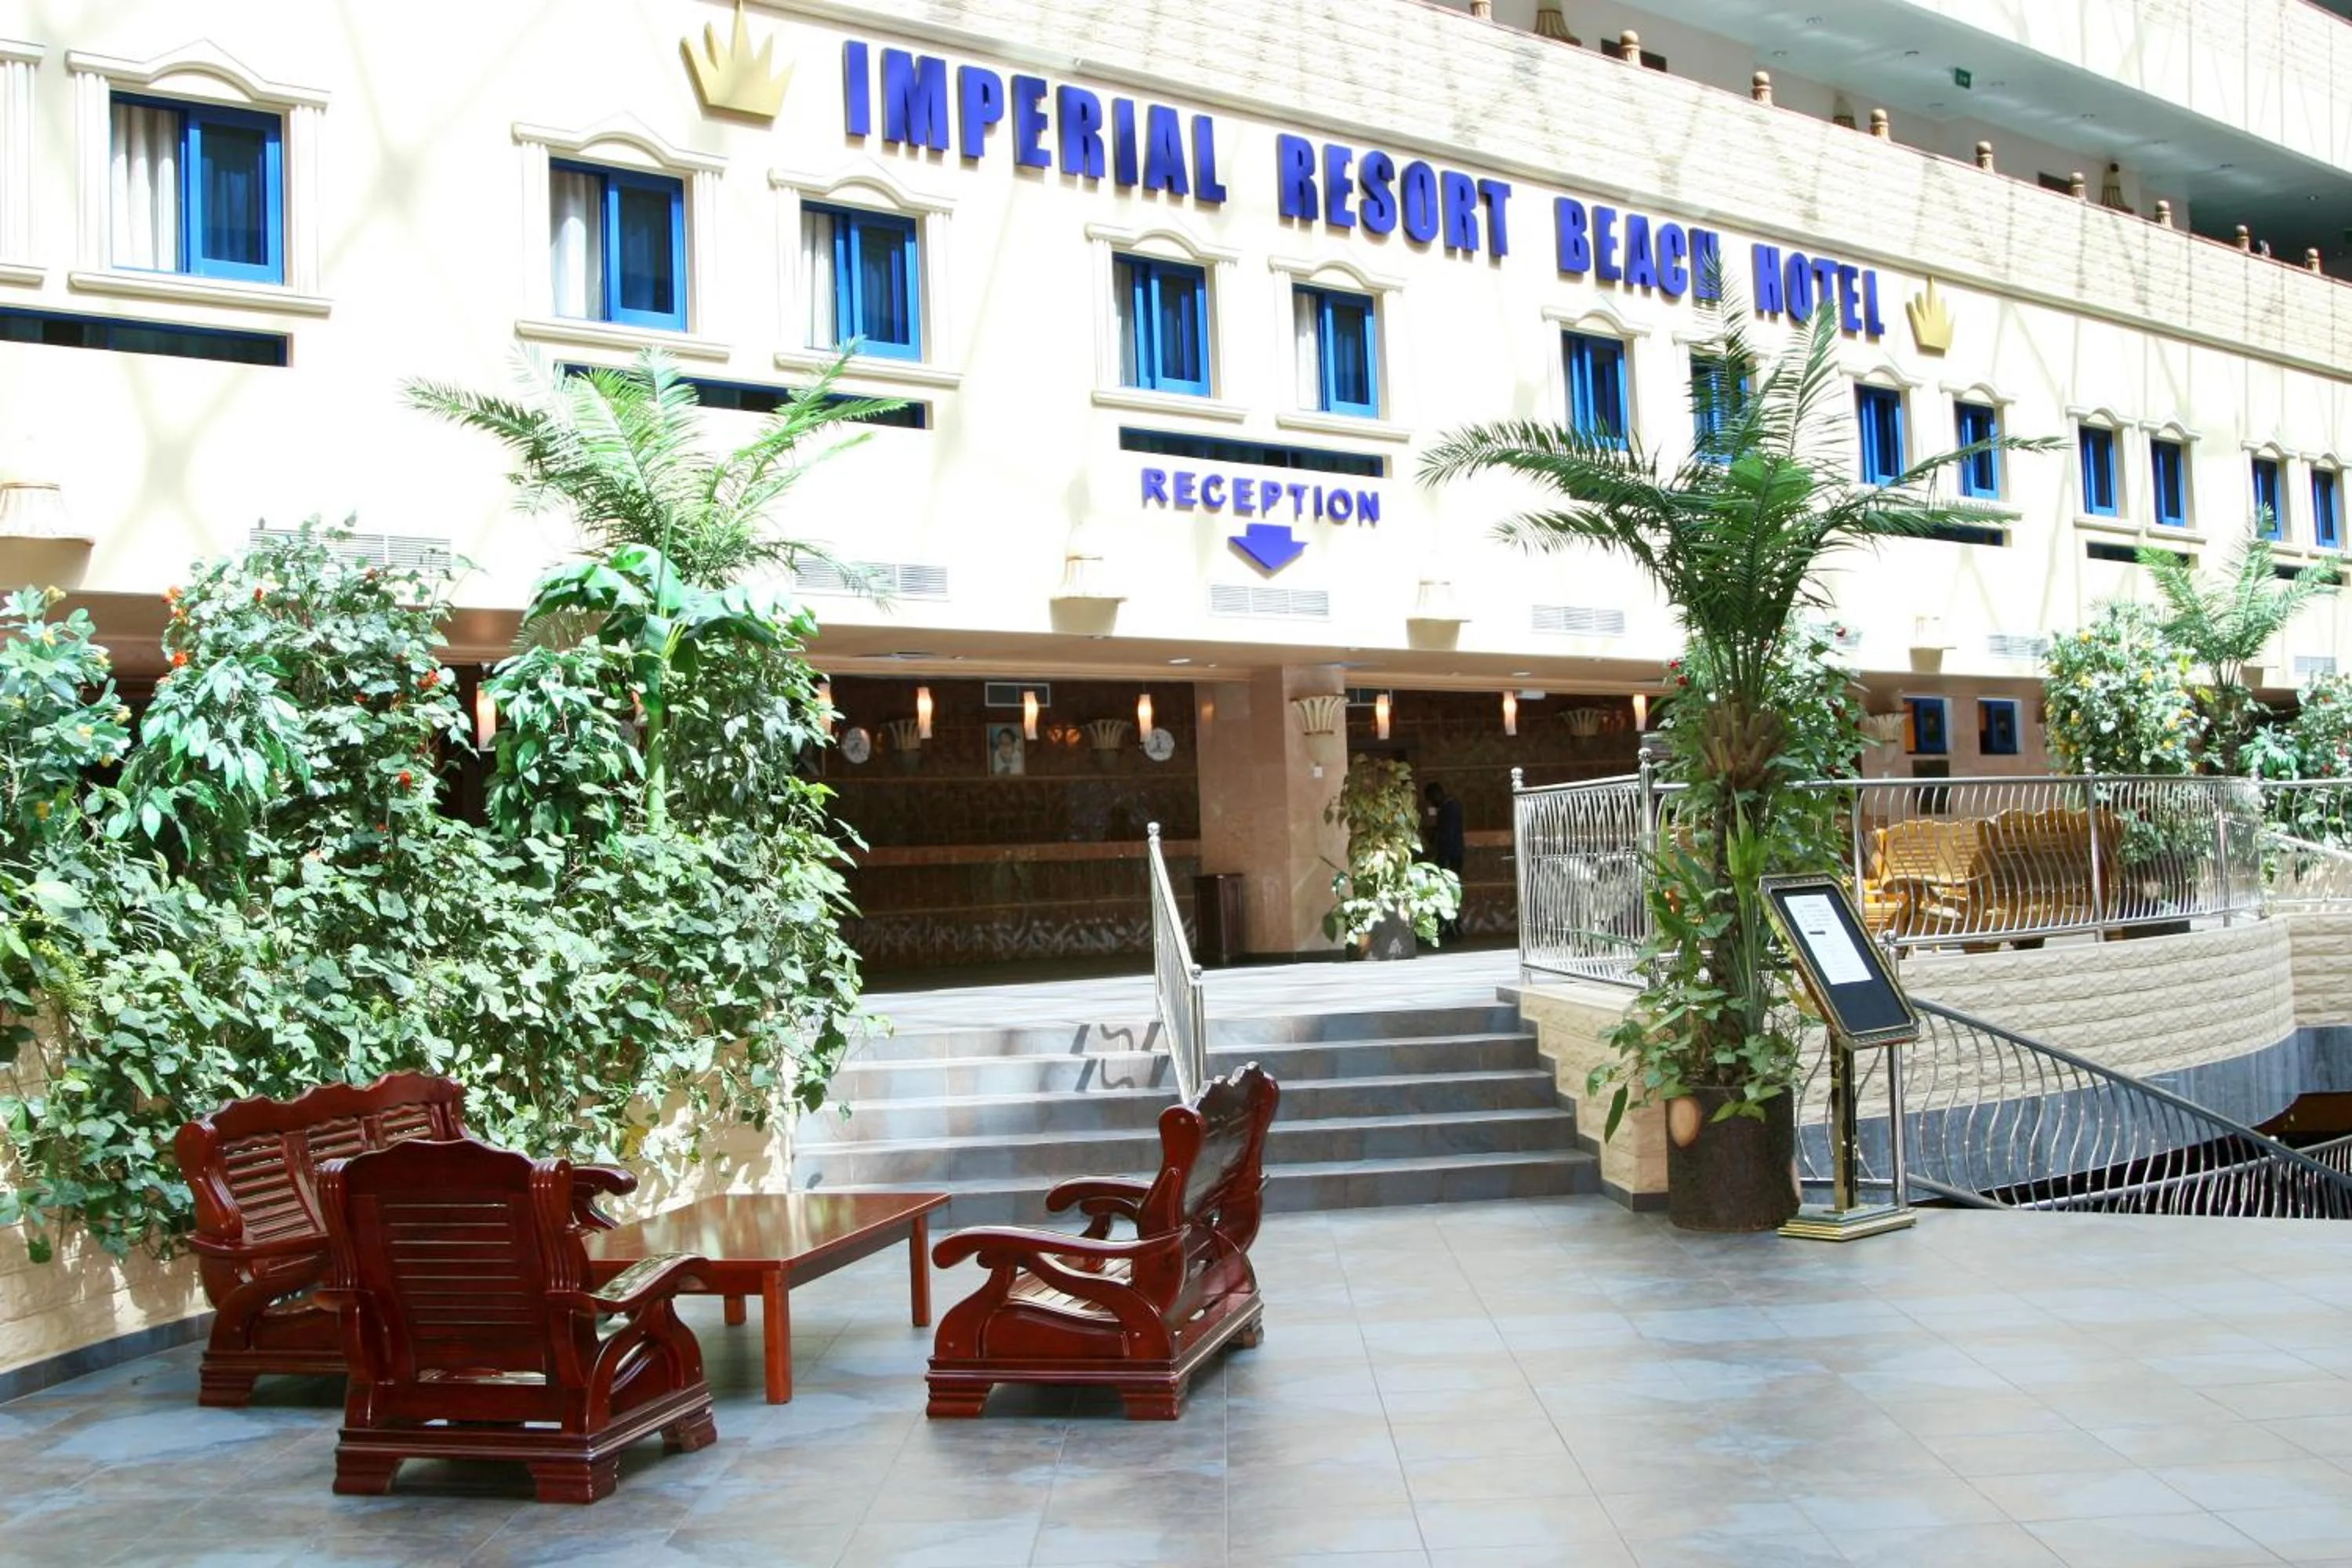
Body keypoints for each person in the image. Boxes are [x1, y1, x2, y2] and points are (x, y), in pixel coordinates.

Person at [1425, 781, 1466, 940]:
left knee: (1449, 891)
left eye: (1430, 798)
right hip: (1454, 854)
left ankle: (1452, 926)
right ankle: (1451, 926)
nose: (1431, 802)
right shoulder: (1451, 806)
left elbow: (1447, 833)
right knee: (1451, 890)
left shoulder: (1448, 808)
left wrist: (1434, 839)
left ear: (1437, 793)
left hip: (1450, 855)